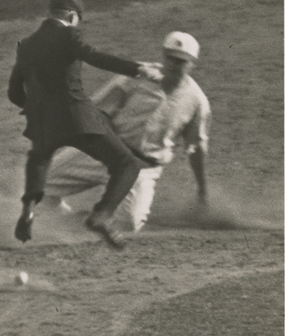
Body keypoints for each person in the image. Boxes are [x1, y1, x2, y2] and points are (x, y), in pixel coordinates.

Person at [7, 0, 162, 248]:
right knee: (127, 164)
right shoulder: (69, 34)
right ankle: (101, 215)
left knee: (40, 163)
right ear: (71, 15)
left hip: (44, 124)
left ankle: (27, 213)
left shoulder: (26, 44)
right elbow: (93, 55)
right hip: (78, 118)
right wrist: (137, 69)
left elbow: (14, 93)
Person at [44, 31, 210, 233]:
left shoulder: (196, 101)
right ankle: (71, 220)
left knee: (129, 224)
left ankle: (85, 226)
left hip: (142, 168)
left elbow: (196, 149)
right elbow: (100, 111)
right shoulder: (137, 75)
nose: (175, 64)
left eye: (182, 61)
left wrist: (202, 189)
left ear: (193, 63)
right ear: (163, 56)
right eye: (171, 58)